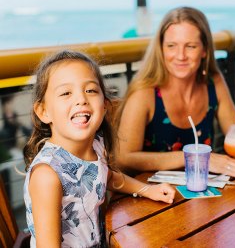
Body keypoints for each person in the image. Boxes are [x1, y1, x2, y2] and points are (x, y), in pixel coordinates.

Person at [23, 50, 175, 247]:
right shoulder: (47, 175)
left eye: (91, 90)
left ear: (104, 105)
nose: (81, 99)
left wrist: (147, 190)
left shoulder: (96, 144)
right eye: (66, 93)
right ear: (43, 112)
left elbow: (107, 176)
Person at [116, 6, 235, 178]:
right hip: (153, 197)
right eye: (171, 46)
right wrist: (193, 157)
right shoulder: (145, 93)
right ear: (161, 49)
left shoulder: (213, 81)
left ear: (204, 50)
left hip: (202, 193)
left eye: (190, 46)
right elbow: (124, 158)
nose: (181, 55)